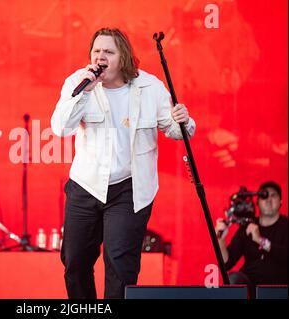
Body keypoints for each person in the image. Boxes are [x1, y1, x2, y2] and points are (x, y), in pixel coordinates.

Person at [51, 27, 196, 299]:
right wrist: (83, 92)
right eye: (96, 51)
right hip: (86, 185)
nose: (100, 57)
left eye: (108, 52)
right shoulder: (78, 82)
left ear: (123, 57)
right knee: (75, 262)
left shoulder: (149, 87)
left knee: (120, 266)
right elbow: (61, 128)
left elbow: (177, 131)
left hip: (129, 189)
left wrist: (184, 120)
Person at [216, 181, 288, 289]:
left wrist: (261, 241)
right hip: (250, 286)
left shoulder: (286, 225)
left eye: (273, 196)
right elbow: (226, 263)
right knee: (233, 279)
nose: (268, 200)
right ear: (257, 202)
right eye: (264, 196)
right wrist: (221, 239)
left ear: (281, 201)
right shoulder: (248, 224)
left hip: (279, 287)